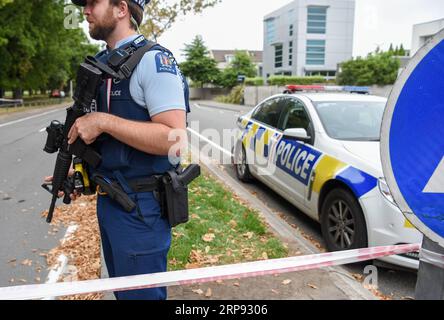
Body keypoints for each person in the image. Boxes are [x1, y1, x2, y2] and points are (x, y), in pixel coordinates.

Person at [53, 0, 188, 300]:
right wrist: (77, 174)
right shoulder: (102, 63)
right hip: (111, 202)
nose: (85, 11)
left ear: (121, 9)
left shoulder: (153, 61)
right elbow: (105, 143)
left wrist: (103, 121)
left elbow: (175, 139)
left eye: (92, 3)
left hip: (141, 211)